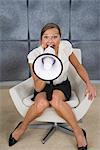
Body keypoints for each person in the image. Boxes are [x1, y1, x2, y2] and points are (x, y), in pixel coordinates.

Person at [8, 23, 96, 149]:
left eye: (55, 37)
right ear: (41, 40)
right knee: (41, 104)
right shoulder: (34, 55)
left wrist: (89, 83)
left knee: (56, 100)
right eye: (46, 37)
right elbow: (38, 88)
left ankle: (78, 132)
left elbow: (78, 66)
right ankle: (22, 127)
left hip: (62, 85)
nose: (50, 41)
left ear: (60, 38)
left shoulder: (65, 47)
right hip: (43, 86)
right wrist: (45, 70)